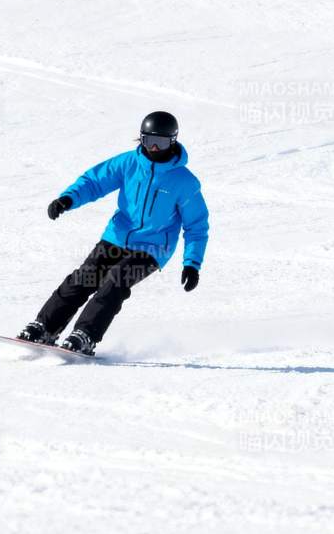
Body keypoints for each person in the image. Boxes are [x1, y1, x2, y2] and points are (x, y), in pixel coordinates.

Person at [19, 111, 209, 356]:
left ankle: (85, 335)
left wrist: (192, 263)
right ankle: (45, 327)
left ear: (172, 141)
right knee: (84, 277)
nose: (153, 147)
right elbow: (95, 182)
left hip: (152, 248)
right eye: (148, 139)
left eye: (160, 142)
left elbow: (197, 226)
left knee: (115, 281)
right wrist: (68, 198)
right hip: (117, 237)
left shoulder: (184, 182)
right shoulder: (128, 163)